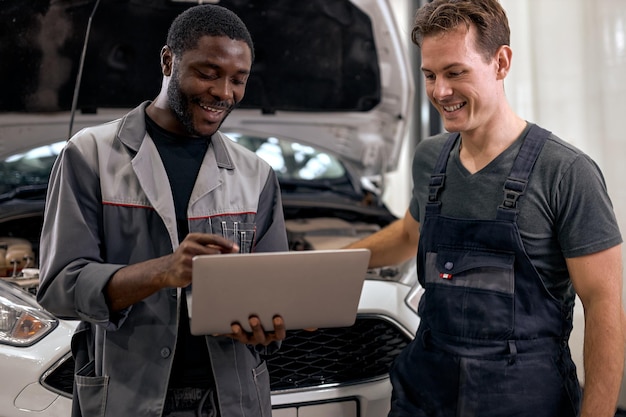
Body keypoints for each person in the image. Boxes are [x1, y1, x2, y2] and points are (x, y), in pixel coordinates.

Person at [345, 0, 626, 416]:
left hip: (525, 400)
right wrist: (331, 268)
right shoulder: (429, 159)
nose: (440, 91)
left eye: (456, 72)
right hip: (424, 396)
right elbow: (409, 235)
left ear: (501, 62)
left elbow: (604, 304)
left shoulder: (566, 172)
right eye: (430, 75)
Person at [37, 5, 289, 417]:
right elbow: (60, 287)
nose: (224, 93)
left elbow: (274, 295)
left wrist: (272, 326)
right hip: (128, 396)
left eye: (238, 80)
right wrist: (162, 272)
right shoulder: (90, 155)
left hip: (233, 400)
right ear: (168, 60)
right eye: (209, 73)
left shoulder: (257, 174)